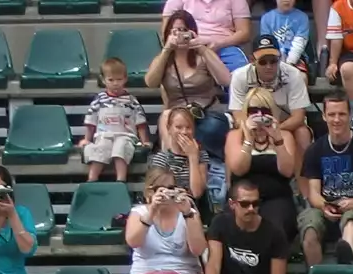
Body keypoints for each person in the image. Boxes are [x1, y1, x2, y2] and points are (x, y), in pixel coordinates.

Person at [301, 92, 353, 266]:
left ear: (351, 115)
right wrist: (324, 206)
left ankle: (344, 266)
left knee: (351, 219)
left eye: (342, 114)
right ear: (324, 116)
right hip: (326, 209)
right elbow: (313, 194)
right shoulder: (314, 150)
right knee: (310, 227)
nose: (337, 119)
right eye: (332, 114)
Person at [148, 11, 234, 155]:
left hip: (206, 113)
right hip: (177, 117)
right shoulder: (164, 59)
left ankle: (200, 159)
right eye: (175, 31)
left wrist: (202, 49)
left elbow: (226, 80)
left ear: (192, 32)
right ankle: (174, 162)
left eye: (183, 30)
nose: (180, 35)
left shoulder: (204, 54)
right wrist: (167, 49)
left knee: (210, 128)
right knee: (166, 118)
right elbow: (151, 82)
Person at [225, 97, 303, 240]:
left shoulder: (284, 136)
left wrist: (277, 139)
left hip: (276, 198)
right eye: (253, 111)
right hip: (242, 199)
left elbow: (287, 171)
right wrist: (248, 139)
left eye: (265, 111)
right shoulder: (235, 136)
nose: (259, 116)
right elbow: (238, 169)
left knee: (274, 228)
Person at [230, 34, 312, 138]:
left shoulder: (294, 74)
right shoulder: (240, 76)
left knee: (302, 133)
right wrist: (255, 129)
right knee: (235, 134)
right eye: (263, 62)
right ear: (252, 60)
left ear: (280, 58)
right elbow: (238, 116)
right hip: (252, 125)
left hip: (284, 123)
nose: (268, 66)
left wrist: (274, 132)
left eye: (273, 61)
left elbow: (298, 117)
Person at [85, 58, 152, 184]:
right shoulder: (99, 100)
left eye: (119, 79)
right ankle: (92, 179)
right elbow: (91, 120)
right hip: (104, 134)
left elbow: (140, 122)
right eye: (111, 80)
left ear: (125, 78)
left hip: (125, 135)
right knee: (100, 147)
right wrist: (87, 139)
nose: (115, 83)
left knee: (121, 148)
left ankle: (121, 180)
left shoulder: (131, 100)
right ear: (103, 80)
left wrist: (145, 141)